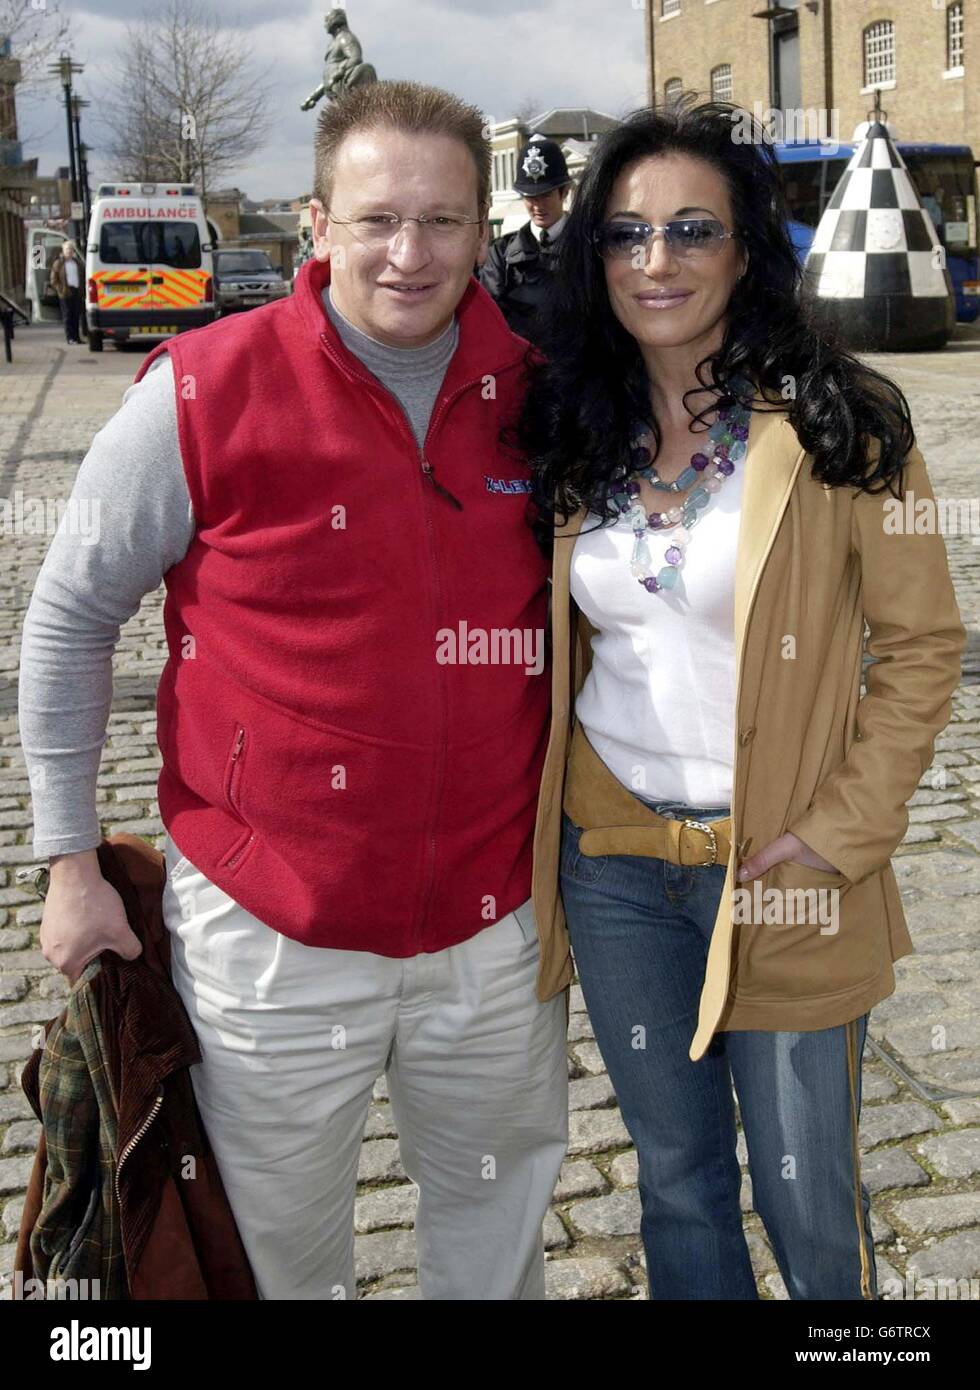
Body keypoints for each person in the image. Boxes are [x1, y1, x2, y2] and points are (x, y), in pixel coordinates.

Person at [18, 79, 568, 1301]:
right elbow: (68, 617)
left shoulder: (549, 398)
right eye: (376, 219)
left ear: (485, 229)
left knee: (496, 1251)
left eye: (441, 220)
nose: (409, 253)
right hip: (271, 936)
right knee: (271, 1268)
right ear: (316, 222)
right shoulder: (200, 392)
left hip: (492, 928)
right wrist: (65, 865)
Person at [519, 99, 966, 1300]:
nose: (652, 261)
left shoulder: (837, 419)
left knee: (807, 1197)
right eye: (622, 235)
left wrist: (840, 834)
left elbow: (921, 643)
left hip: (783, 870)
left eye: (688, 229)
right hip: (611, 867)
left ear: (743, 247)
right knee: (674, 1182)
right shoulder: (576, 424)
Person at [480, 134, 572, 346]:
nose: (538, 206)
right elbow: (489, 316)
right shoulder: (501, 253)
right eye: (531, 197)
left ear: (564, 192)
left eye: (546, 195)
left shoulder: (588, 247)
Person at [48, 240, 84, 344]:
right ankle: (70, 338)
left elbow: (82, 275)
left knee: (76, 315)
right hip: (65, 292)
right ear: (63, 251)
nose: (70, 252)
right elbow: (53, 280)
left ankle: (77, 337)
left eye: (71, 250)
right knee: (68, 316)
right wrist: (60, 289)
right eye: (68, 250)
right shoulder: (58, 263)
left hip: (76, 291)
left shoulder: (77, 262)